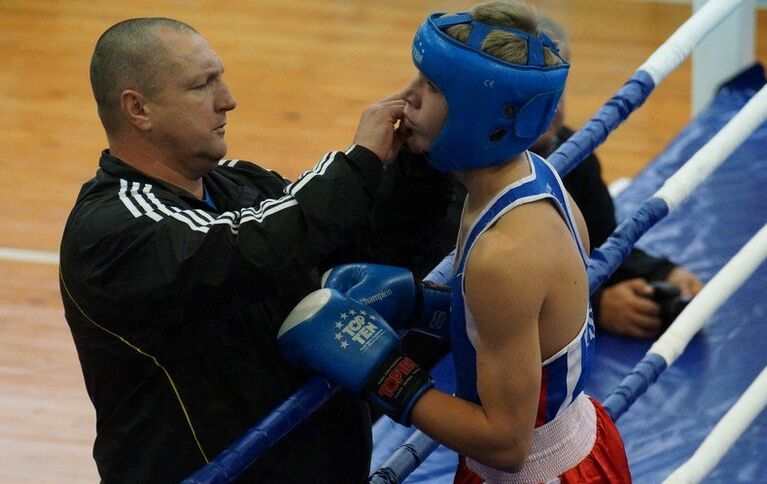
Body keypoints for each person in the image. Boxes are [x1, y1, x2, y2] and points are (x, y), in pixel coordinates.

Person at [59, 17, 452, 483]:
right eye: (202, 85)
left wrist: (420, 155)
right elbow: (255, 249)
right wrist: (360, 160)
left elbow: (361, 245)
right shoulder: (111, 229)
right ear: (138, 109)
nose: (228, 99)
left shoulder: (239, 184)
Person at [278, 2, 632, 482]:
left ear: (478, 114)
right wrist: (424, 304)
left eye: (433, 87)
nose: (407, 97)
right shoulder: (529, 177)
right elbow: (531, 328)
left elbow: (506, 444)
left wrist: (382, 373)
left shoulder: (505, 254)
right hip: (570, 443)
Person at [382, 15, 703, 341]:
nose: (549, 107)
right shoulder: (452, 172)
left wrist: (658, 272)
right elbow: (469, 290)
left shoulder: (572, 153)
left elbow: (601, 239)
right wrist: (594, 304)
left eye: (556, 90)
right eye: (529, 95)